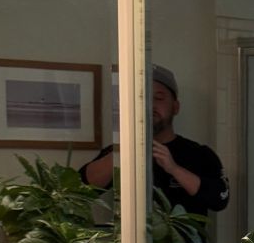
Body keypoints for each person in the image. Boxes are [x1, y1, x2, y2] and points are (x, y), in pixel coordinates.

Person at [79, 65, 230, 215]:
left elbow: (219, 200)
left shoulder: (199, 154)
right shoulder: (117, 151)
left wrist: (174, 169)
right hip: (131, 240)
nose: (149, 105)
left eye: (158, 98)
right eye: (141, 98)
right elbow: (80, 191)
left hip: (185, 239)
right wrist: (122, 152)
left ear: (175, 107)